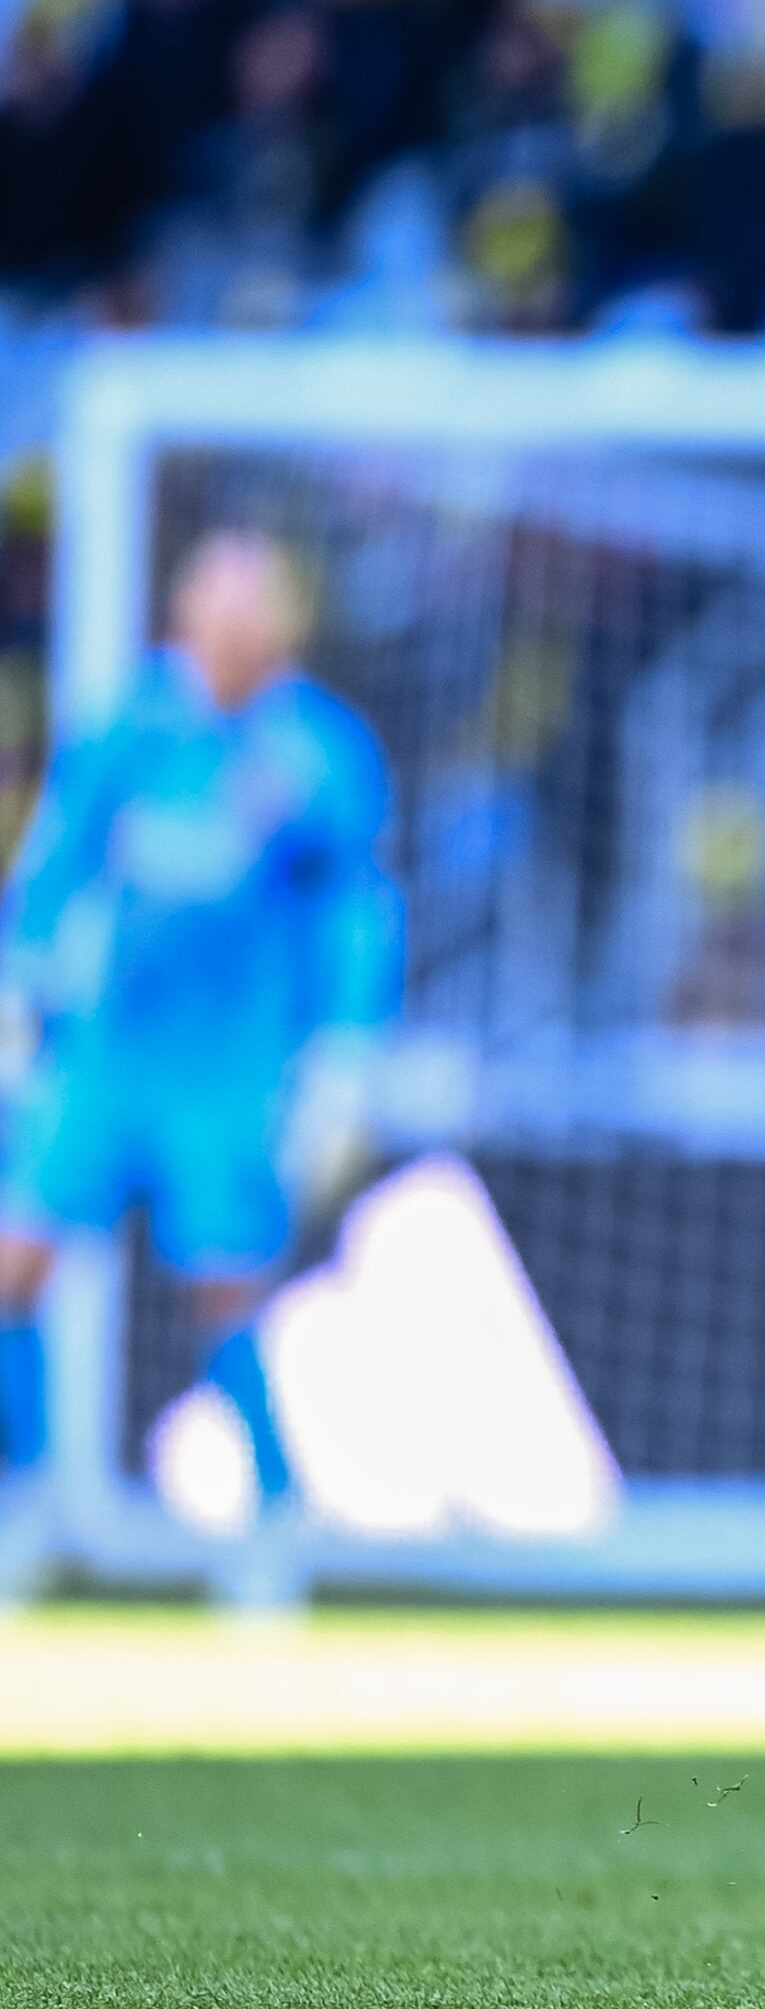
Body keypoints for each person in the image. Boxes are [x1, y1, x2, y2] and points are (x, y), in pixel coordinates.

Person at [0, 529, 399, 1599]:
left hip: (231, 1072)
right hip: (110, 1055)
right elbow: (56, 864)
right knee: (11, 1265)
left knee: (223, 1291)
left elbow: (355, 912)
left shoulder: (320, 751)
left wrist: (348, 1055)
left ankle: (269, 1520)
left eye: (249, 614)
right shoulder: (131, 726)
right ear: (183, 618)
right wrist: (20, 988)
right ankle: (28, 1503)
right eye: (211, 612)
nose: (227, 635)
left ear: (282, 629)